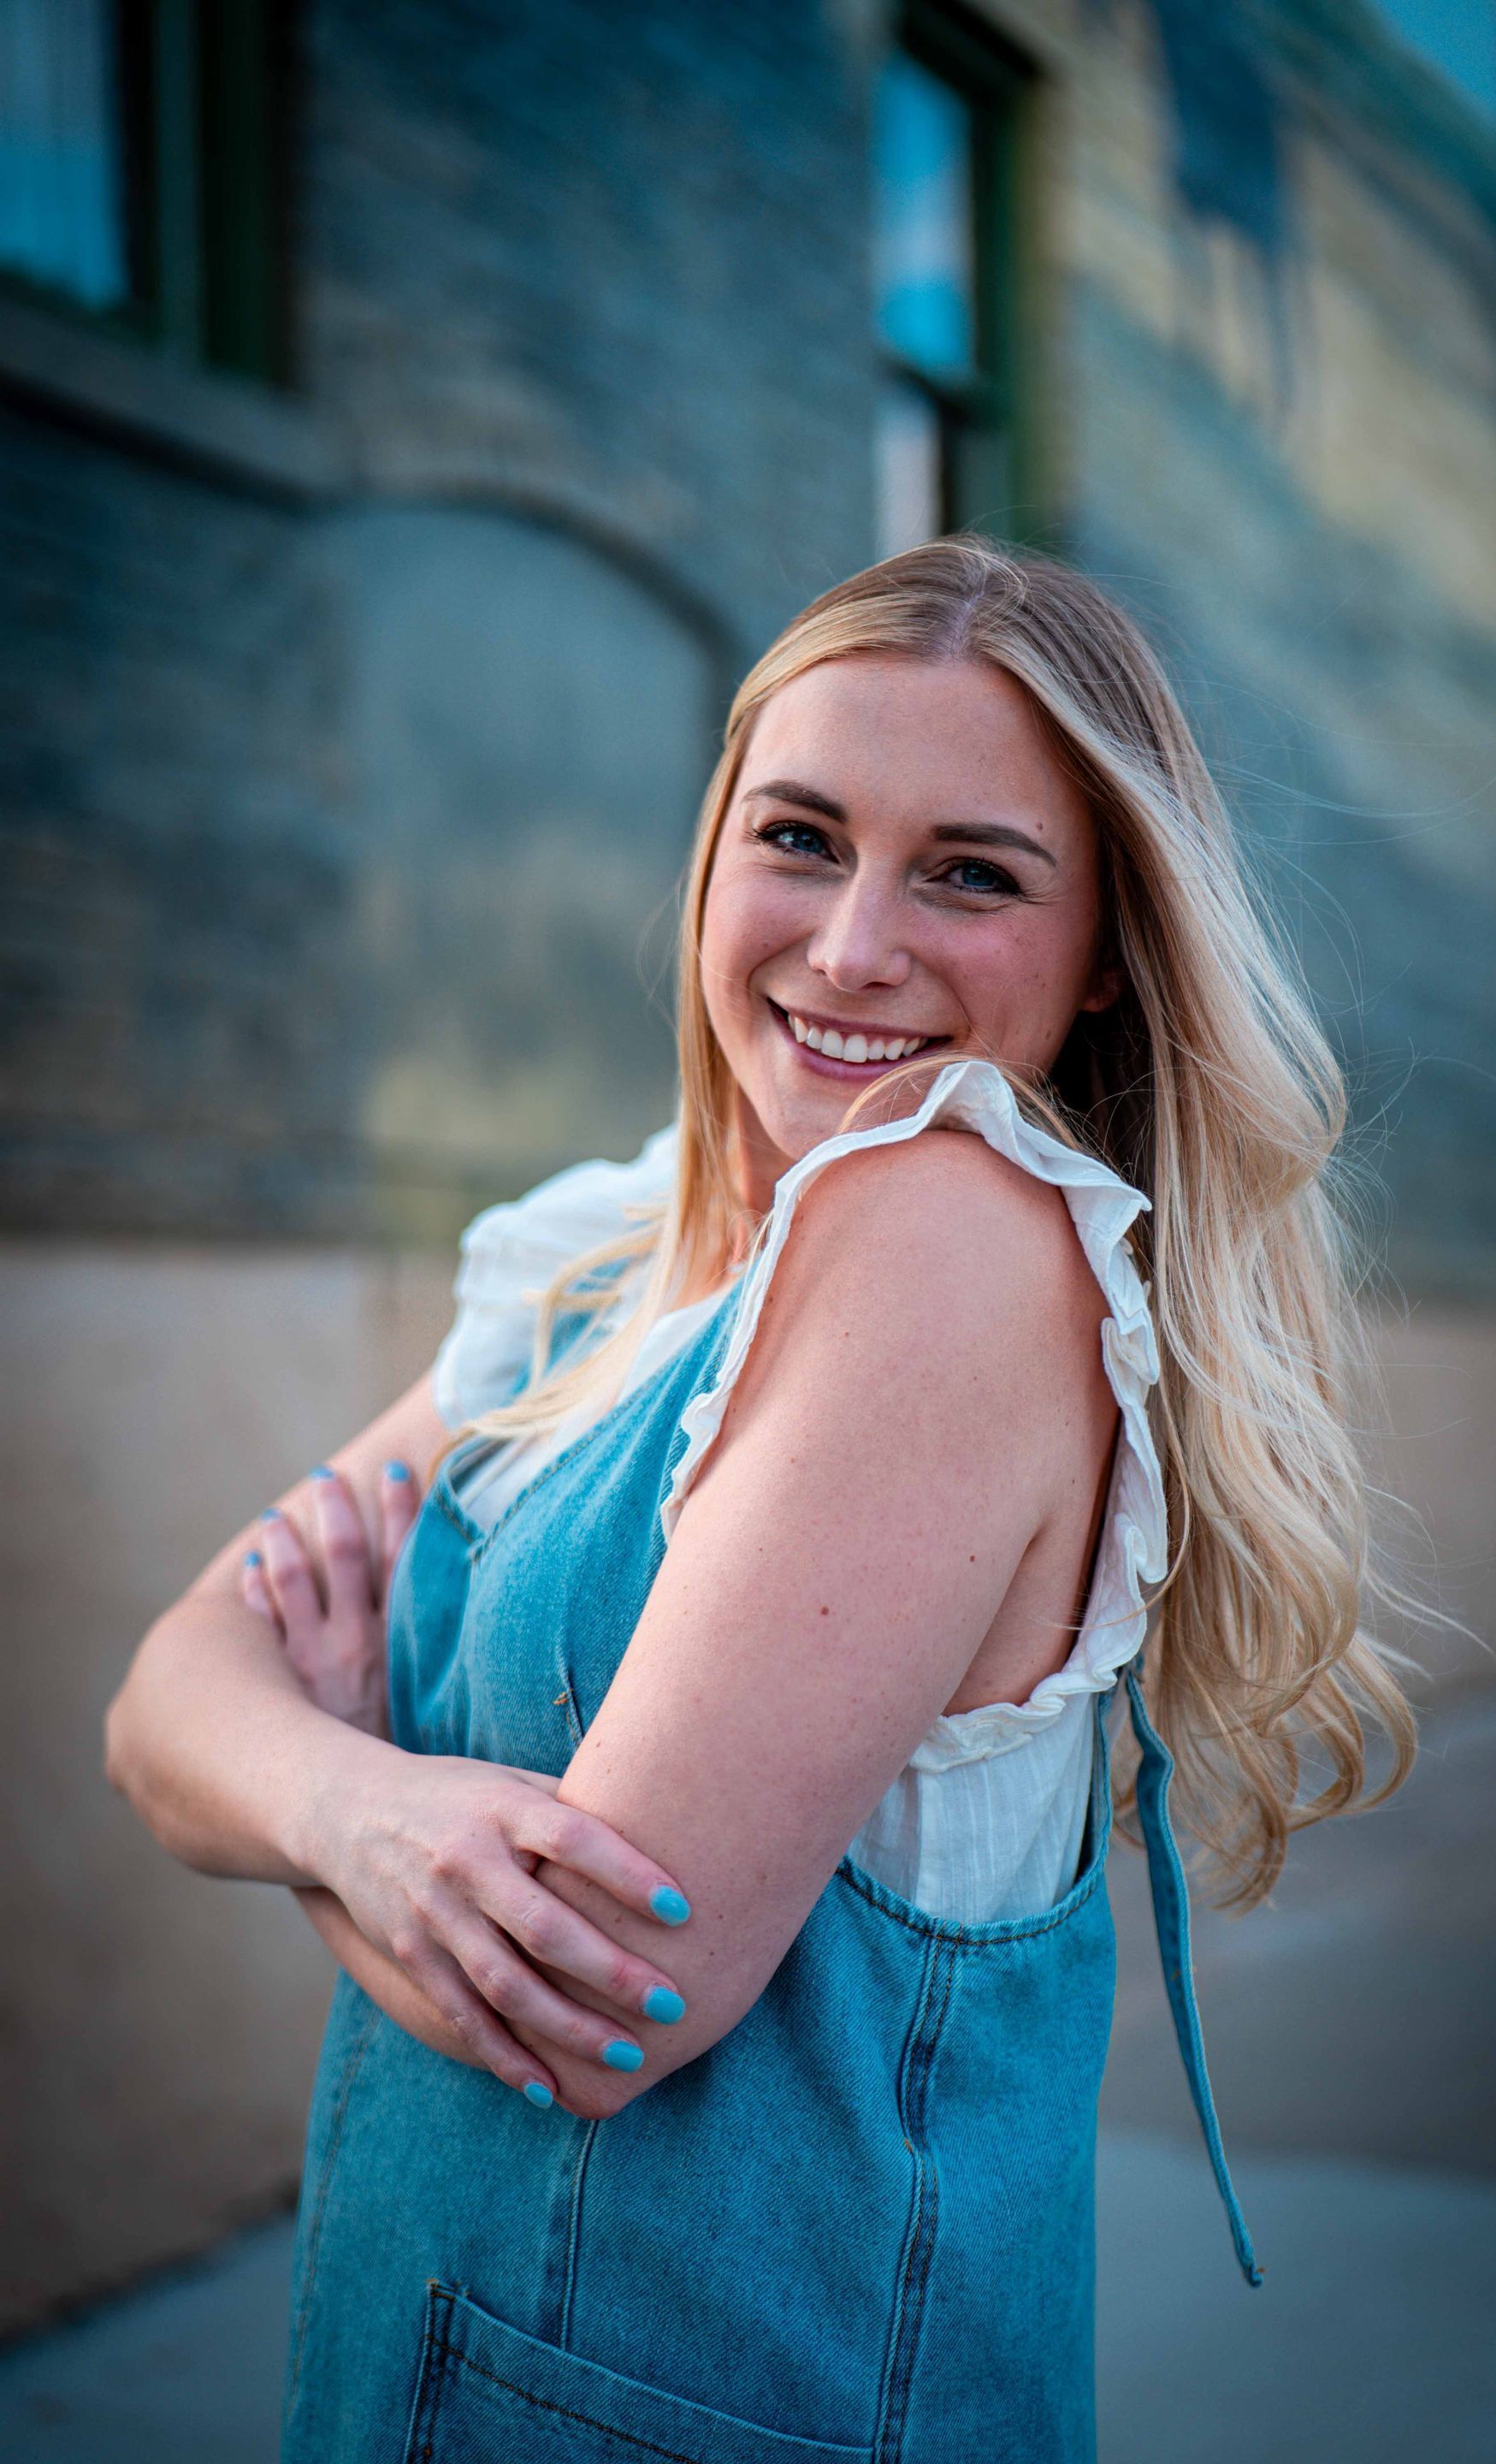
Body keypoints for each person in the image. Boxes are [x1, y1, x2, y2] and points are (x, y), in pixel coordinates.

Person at [105, 538, 1417, 2463]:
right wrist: (367, 1820)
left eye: (972, 874)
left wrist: (306, 1775)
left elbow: (602, 1997)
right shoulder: (605, 1257)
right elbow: (160, 1701)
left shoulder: (957, 1237)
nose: (854, 946)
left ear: (1109, 954)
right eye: (800, 838)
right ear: (716, 850)